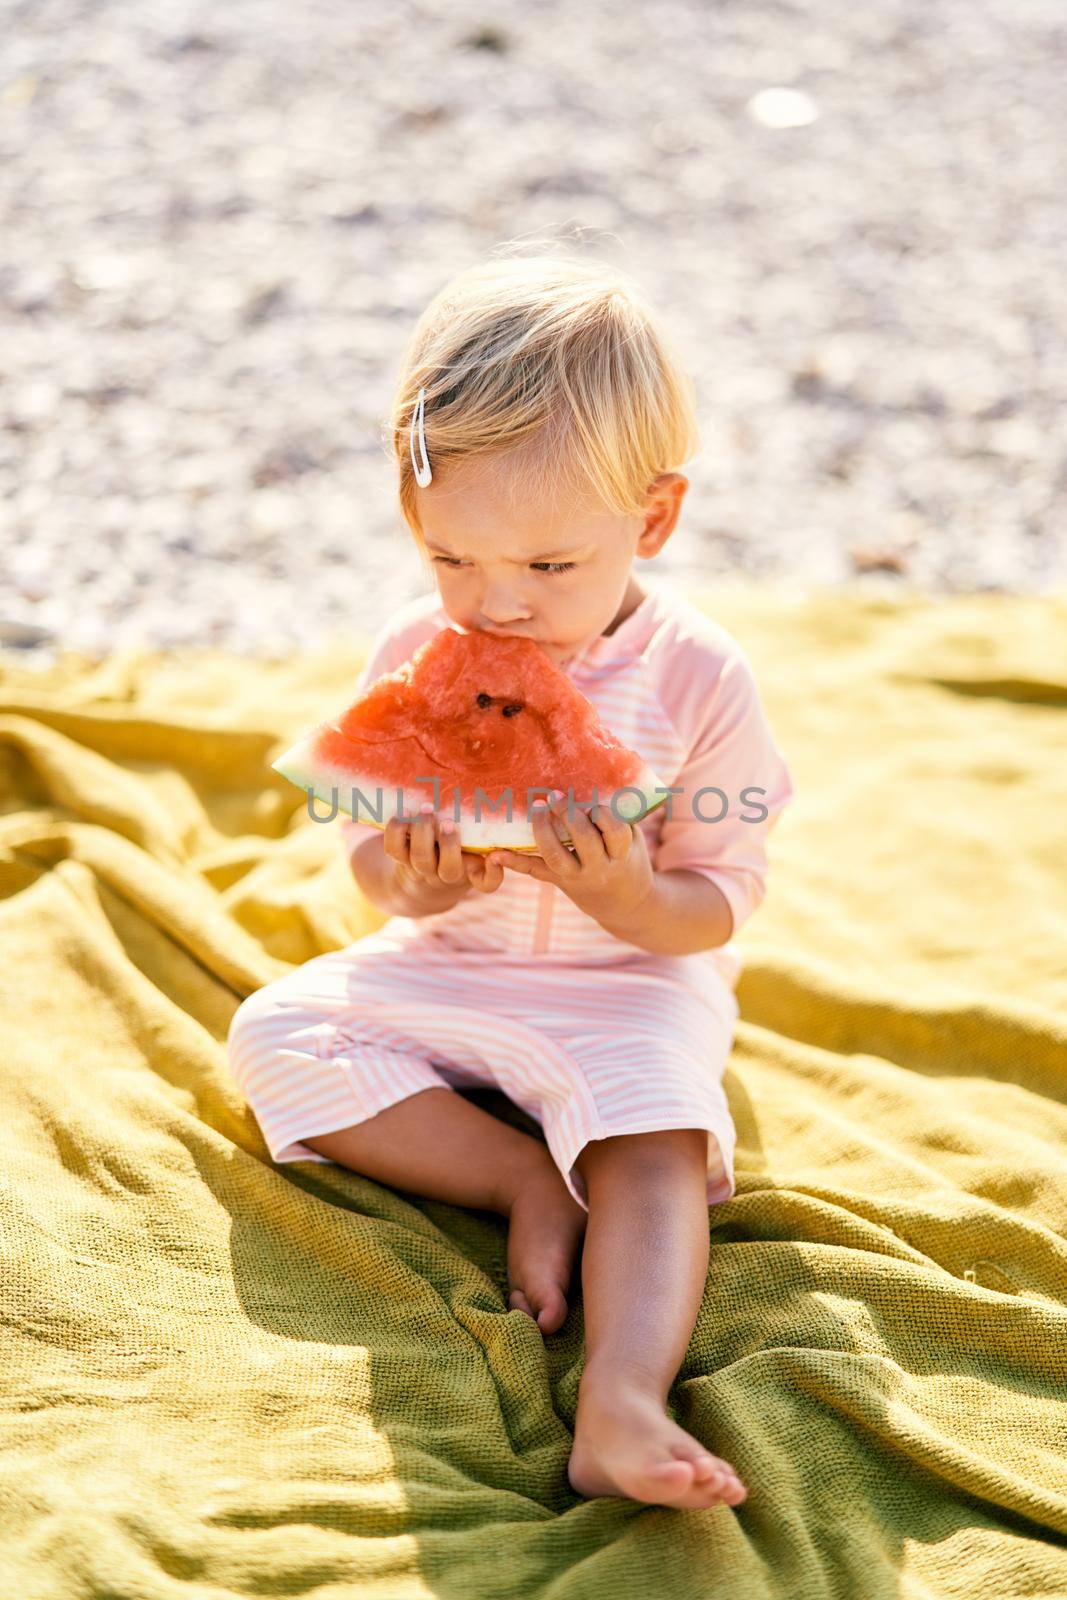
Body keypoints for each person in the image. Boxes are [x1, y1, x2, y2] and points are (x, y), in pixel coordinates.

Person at [226, 249, 795, 1510]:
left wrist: (637, 904)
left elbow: (726, 886)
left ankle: (620, 1399)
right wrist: (409, 882)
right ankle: (519, 1174)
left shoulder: (702, 679)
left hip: (630, 981)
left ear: (650, 519)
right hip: (453, 967)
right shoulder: (410, 652)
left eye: (546, 569)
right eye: (452, 563)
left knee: (657, 1145)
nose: (495, 609)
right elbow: (374, 860)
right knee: (274, 1030)